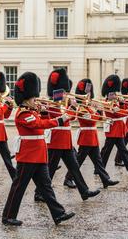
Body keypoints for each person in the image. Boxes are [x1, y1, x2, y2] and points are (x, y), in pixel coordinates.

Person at [2, 71, 75, 226]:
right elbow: (39, 125)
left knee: (46, 187)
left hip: (39, 155)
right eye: (33, 98)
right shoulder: (23, 113)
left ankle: (58, 214)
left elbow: (42, 121)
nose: (36, 101)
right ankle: (8, 216)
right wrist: (59, 120)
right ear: (26, 100)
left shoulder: (32, 111)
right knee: (19, 187)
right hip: (28, 156)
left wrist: (44, 112)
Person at [34, 68, 100, 202]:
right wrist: (73, 108)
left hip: (66, 141)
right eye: (64, 92)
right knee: (50, 169)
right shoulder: (51, 103)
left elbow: (72, 118)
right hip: (57, 140)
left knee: (74, 167)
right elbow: (62, 118)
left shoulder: (63, 103)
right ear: (58, 91)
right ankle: (38, 193)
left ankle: (84, 191)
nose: (66, 94)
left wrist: (73, 107)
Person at [64, 79, 119, 189]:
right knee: (78, 161)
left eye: (89, 95)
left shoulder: (88, 107)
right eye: (86, 95)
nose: (88, 97)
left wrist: (101, 113)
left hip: (92, 137)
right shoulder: (82, 108)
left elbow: (97, 118)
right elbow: (91, 120)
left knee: (98, 161)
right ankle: (68, 178)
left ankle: (105, 179)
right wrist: (98, 111)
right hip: (86, 137)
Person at [99, 75, 128, 176]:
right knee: (106, 151)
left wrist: (123, 104)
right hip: (113, 129)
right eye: (112, 93)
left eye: (114, 93)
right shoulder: (107, 103)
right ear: (108, 94)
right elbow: (118, 114)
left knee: (122, 150)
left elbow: (120, 111)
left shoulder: (115, 102)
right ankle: (99, 168)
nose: (115, 95)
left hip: (118, 129)